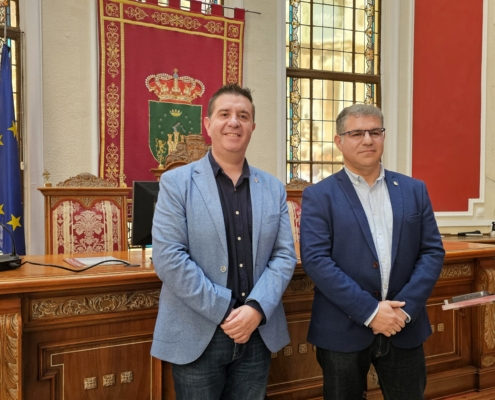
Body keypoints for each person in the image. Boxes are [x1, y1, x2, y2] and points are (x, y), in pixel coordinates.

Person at [150, 84, 297, 400]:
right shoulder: (176, 184)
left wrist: (255, 309)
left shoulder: (272, 188)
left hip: (256, 332)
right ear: (208, 124)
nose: (234, 122)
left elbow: (284, 255)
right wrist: (225, 309)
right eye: (225, 114)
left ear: (252, 127)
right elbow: (169, 258)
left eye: (243, 116)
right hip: (198, 331)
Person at [300, 104, 445, 400]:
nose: (367, 139)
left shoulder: (413, 190)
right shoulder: (319, 196)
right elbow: (316, 261)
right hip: (342, 329)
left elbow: (432, 252)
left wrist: (404, 311)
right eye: (356, 133)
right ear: (339, 141)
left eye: (374, 132)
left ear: (383, 136)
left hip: (403, 327)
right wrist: (370, 311)